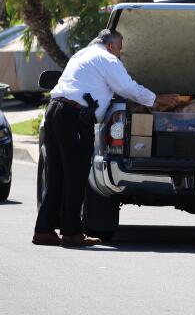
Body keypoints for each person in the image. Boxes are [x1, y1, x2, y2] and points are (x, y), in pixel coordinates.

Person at [34, 30, 179, 247]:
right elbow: (127, 87)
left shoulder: (81, 55)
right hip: (74, 117)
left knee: (56, 174)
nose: (120, 53)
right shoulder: (108, 59)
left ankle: (43, 230)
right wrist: (156, 99)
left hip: (56, 111)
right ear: (111, 46)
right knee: (76, 174)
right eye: (120, 48)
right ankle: (71, 233)